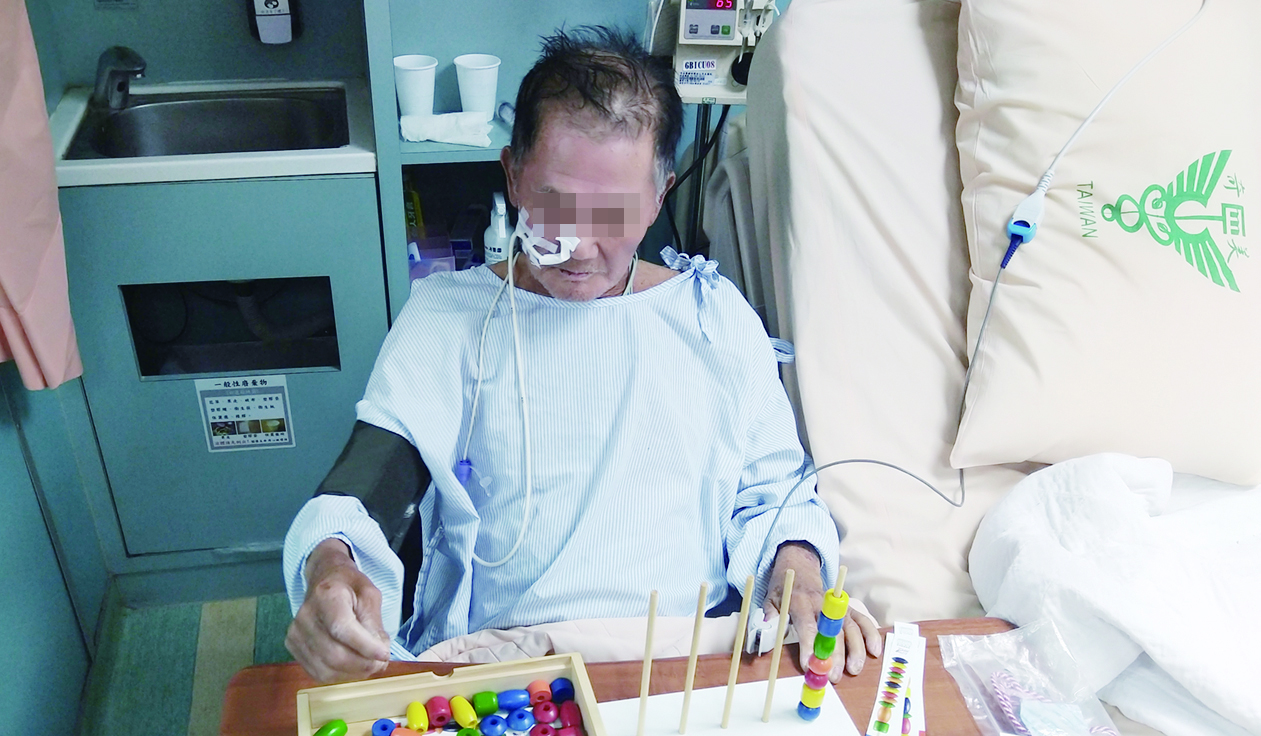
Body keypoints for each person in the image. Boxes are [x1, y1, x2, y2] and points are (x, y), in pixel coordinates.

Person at [282, 26, 881, 684]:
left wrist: (798, 568)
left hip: (682, 658)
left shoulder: (713, 320)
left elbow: (776, 494)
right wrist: (330, 561)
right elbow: (368, 483)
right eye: (554, 204)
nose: (578, 247)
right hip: (507, 663)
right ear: (513, 175)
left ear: (659, 197)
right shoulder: (448, 321)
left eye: (612, 215)